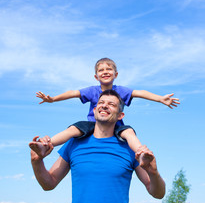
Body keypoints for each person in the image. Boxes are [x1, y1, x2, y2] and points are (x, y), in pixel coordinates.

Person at [30, 89, 165, 203]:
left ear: (120, 115)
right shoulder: (73, 143)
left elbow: (158, 193)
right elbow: (49, 184)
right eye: (101, 102)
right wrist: (37, 162)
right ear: (94, 110)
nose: (105, 105)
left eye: (111, 104)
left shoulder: (130, 148)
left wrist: (153, 173)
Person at [33, 58, 180, 159]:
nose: (105, 71)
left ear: (115, 74)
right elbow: (73, 93)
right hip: (93, 125)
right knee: (73, 129)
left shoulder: (121, 90)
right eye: (101, 70)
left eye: (109, 69)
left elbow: (140, 93)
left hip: (115, 126)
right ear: (96, 76)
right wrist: (53, 99)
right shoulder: (92, 91)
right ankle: (45, 145)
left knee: (129, 132)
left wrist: (160, 98)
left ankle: (141, 153)